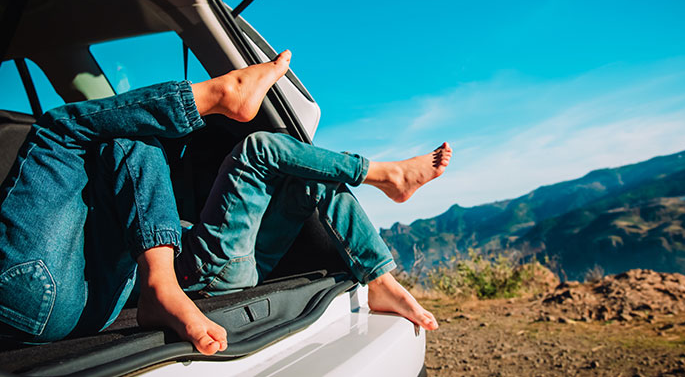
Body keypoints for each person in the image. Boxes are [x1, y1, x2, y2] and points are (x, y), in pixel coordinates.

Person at [0, 50, 452, 355]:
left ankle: (379, 278)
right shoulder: (110, 186)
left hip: (99, 304)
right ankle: (382, 175)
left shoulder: (105, 200)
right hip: (194, 278)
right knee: (257, 148)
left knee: (306, 178)